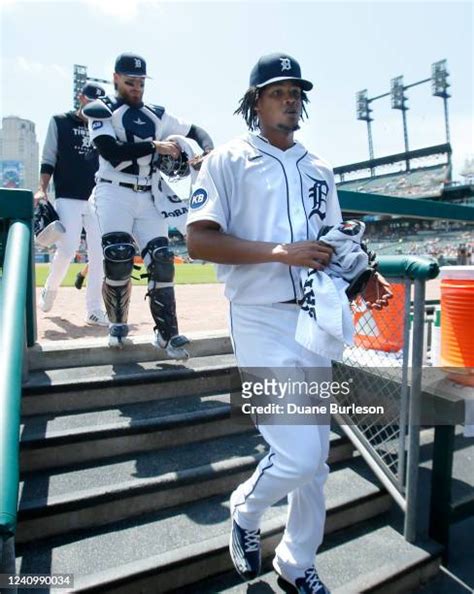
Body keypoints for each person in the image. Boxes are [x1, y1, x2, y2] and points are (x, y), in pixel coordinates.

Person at [186, 53, 392, 593]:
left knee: (316, 463)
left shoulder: (319, 168)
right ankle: (246, 508)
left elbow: (334, 245)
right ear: (256, 100)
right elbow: (199, 239)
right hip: (258, 318)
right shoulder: (227, 160)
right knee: (299, 455)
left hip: (315, 317)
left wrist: (363, 275)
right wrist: (280, 252)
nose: (289, 98)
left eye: (296, 91)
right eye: (278, 91)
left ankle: (297, 562)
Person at [83, 52, 214, 354]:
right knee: (117, 255)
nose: (136, 88)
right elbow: (110, 151)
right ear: (116, 78)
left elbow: (196, 131)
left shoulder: (158, 114)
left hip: (150, 193)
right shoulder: (101, 110)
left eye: (141, 83)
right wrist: (154, 146)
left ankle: (168, 334)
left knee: (163, 259)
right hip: (113, 191)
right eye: (130, 82)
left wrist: (206, 149)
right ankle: (118, 323)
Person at [36, 82, 109, 326]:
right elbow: (48, 157)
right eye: (90, 103)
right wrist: (42, 189)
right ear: (80, 98)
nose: (94, 109)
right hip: (68, 194)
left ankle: (94, 308)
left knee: (99, 254)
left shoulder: (104, 125)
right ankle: (50, 288)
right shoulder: (60, 121)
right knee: (67, 249)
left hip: (98, 197)